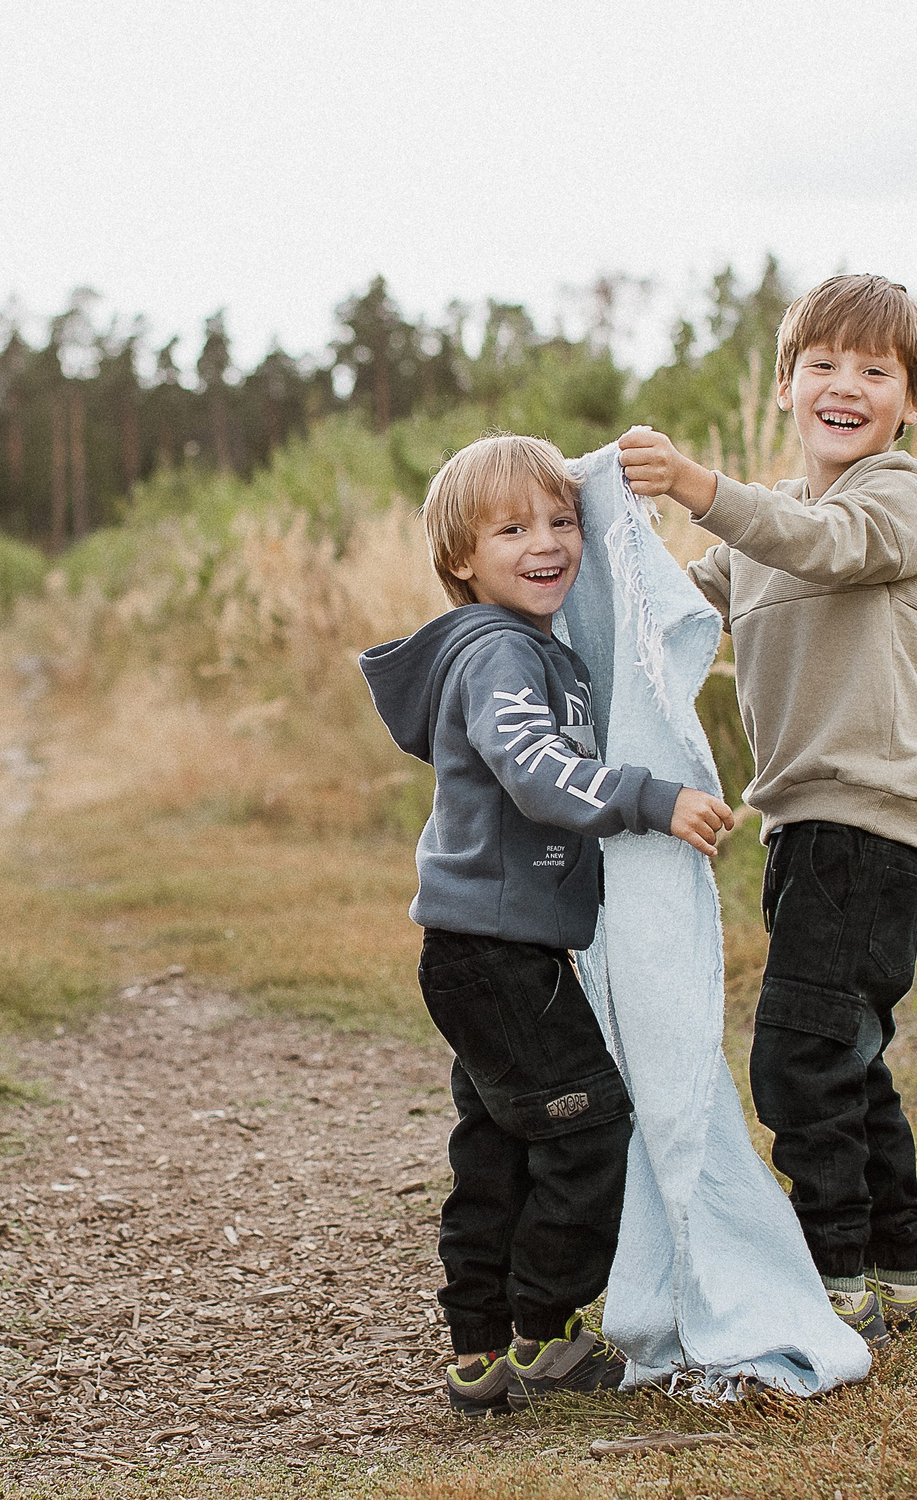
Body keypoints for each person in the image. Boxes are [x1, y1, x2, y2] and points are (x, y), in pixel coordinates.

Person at [618, 273, 917, 1348]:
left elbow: (824, 545)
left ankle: (834, 1276)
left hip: (867, 827)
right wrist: (586, 549)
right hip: (800, 828)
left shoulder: (902, 497)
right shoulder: (763, 529)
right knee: (845, 1052)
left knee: (796, 1055)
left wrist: (698, 483)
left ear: (909, 399)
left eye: (875, 370)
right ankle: (896, 1271)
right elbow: (685, 614)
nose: (846, 385)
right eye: (823, 364)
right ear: (786, 382)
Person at [359, 434, 735, 1415]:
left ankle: (477, 1347)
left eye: (563, 519)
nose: (548, 541)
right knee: (589, 1129)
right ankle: (540, 1330)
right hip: (493, 955)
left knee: (495, 1146)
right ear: (460, 560)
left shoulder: (533, 648)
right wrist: (654, 799)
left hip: (484, 948)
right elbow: (533, 772)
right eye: (514, 527)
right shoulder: (496, 657)